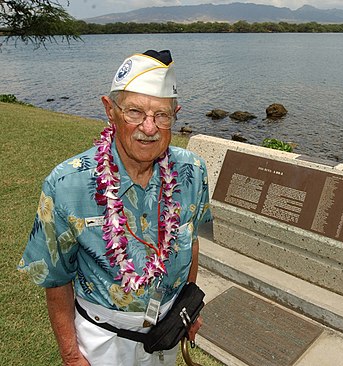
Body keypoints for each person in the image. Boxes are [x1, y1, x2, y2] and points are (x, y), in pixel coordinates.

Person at [18, 49, 212, 365]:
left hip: (167, 332)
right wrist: (71, 356)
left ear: (175, 114)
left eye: (162, 115)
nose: (149, 128)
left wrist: (189, 307)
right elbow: (55, 279)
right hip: (102, 341)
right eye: (134, 112)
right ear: (110, 110)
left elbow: (193, 241)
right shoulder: (67, 183)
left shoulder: (194, 172)